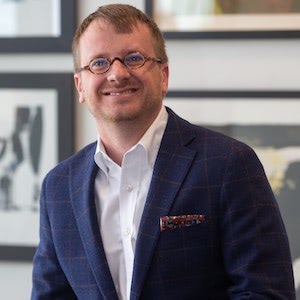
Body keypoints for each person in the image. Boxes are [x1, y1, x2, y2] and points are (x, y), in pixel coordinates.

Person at [31, 4, 295, 300]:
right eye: (99, 63)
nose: (117, 73)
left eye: (134, 58)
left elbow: (265, 293)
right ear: (80, 85)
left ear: (164, 75)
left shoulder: (229, 164)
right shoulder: (58, 186)